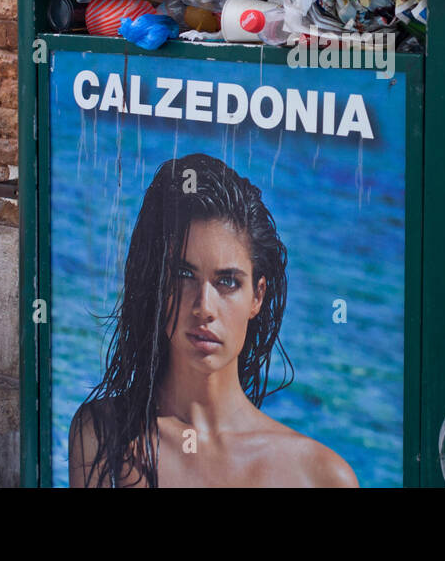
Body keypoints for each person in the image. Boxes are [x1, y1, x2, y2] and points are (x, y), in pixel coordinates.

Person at [69, 153, 358, 488]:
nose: (204, 307)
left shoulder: (321, 476)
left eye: (228, 282)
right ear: (157, 284)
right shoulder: (104, 435)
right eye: (183, 274)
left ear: (257, 296)